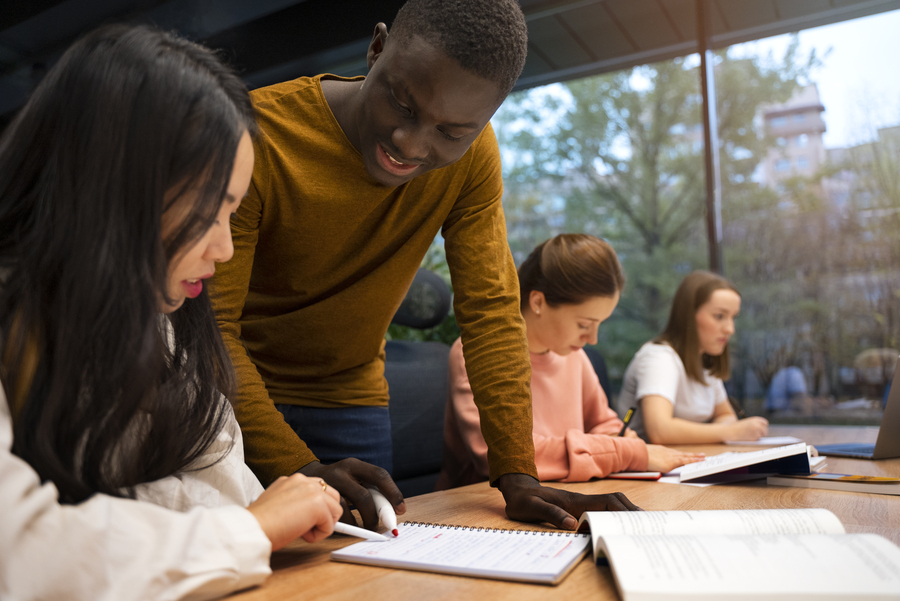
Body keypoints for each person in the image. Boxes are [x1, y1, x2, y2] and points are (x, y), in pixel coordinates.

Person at [209, 0, 638, 530]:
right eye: (403, 105)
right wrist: (296, 466)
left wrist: (517, 476)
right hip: (232, 397)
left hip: (348, 397)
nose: (410, 145)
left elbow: (490, 312)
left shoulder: (476, 158)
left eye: (452, 133)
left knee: (366, 568)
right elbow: (212, 328)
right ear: (377, 47)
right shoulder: (255, 132)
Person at [0, 25, 342, 600]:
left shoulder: (158, 321)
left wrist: (224, 524)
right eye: (211, 209)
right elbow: (22, 553)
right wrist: (246, 530)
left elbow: (228, 492)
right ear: (116, 188)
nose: (225, 248)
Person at [437, 235, 705, 488]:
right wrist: (626, 452)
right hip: (486, 508)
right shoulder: (478, 352)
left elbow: (605, 425)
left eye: (599, 324)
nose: (593, 338)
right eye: (584, 324)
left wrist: (620, 441)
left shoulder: (573, 355)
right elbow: (508, 458)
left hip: (568, 491)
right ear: (538, 302)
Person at [618, 271, 769, 444]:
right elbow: (659, 430)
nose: (730, 329)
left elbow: (726, 415)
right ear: (688, 315)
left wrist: (726, 430)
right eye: (719, 316)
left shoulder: (704, 363)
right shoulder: (658, 357)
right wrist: (729, 431)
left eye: (733, 317)